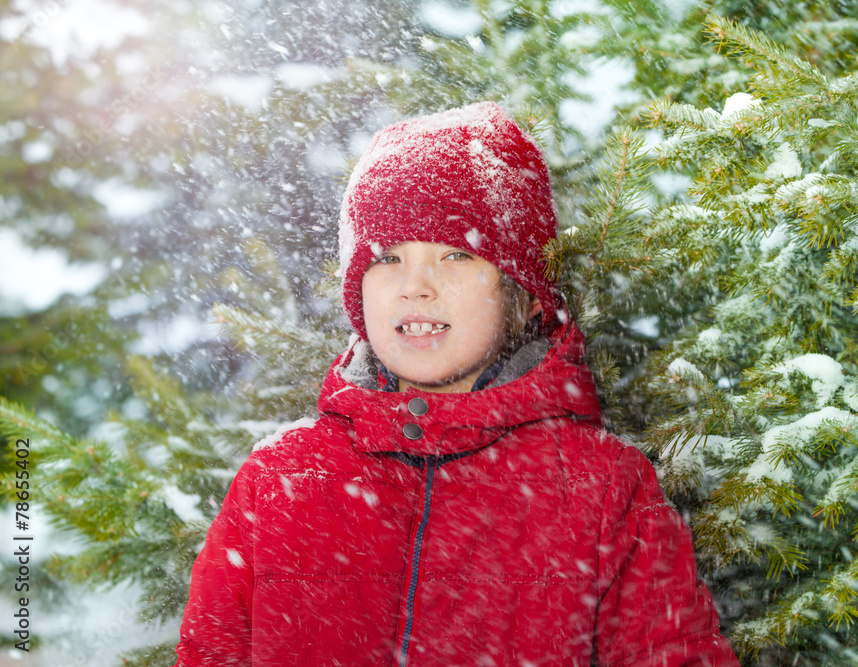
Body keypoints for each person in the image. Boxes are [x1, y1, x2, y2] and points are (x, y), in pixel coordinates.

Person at [173, 101, 739, 666]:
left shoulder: (602, 488)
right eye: (388, 257)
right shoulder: (279, 480)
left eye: (454, 255)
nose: (415, 286)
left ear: (519, 295)